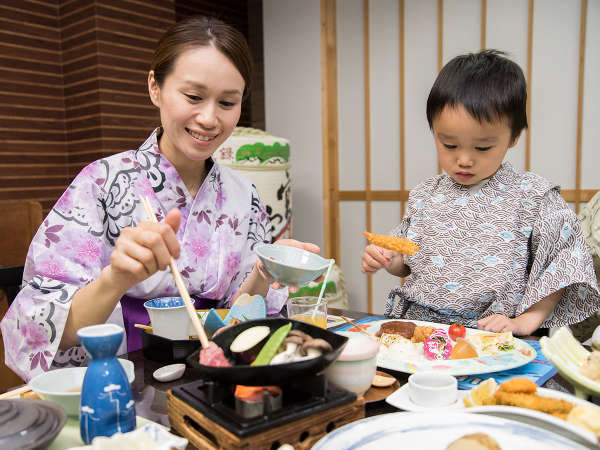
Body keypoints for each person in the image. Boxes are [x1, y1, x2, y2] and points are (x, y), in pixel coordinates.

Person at [1, 16, 319, 381]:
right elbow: (42, 328)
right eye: (193, 97)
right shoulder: (101, 183)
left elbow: (240, 316)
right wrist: (116, 278)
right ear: (155, 87)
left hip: (211, 374)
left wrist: (264, 273)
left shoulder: (243, 196)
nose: (209, 118)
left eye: (227, 102)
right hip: (121, 376)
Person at [361, 50, 600, 336]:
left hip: (495, 333)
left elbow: (561, 267)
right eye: (449, 145)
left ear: (513, 137)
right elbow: (406, 264)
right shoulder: (425, 194)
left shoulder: (534, 197)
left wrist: (524, 322)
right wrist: (386, 258)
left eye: (482, 148)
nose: (464, 159)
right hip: (422, 329)